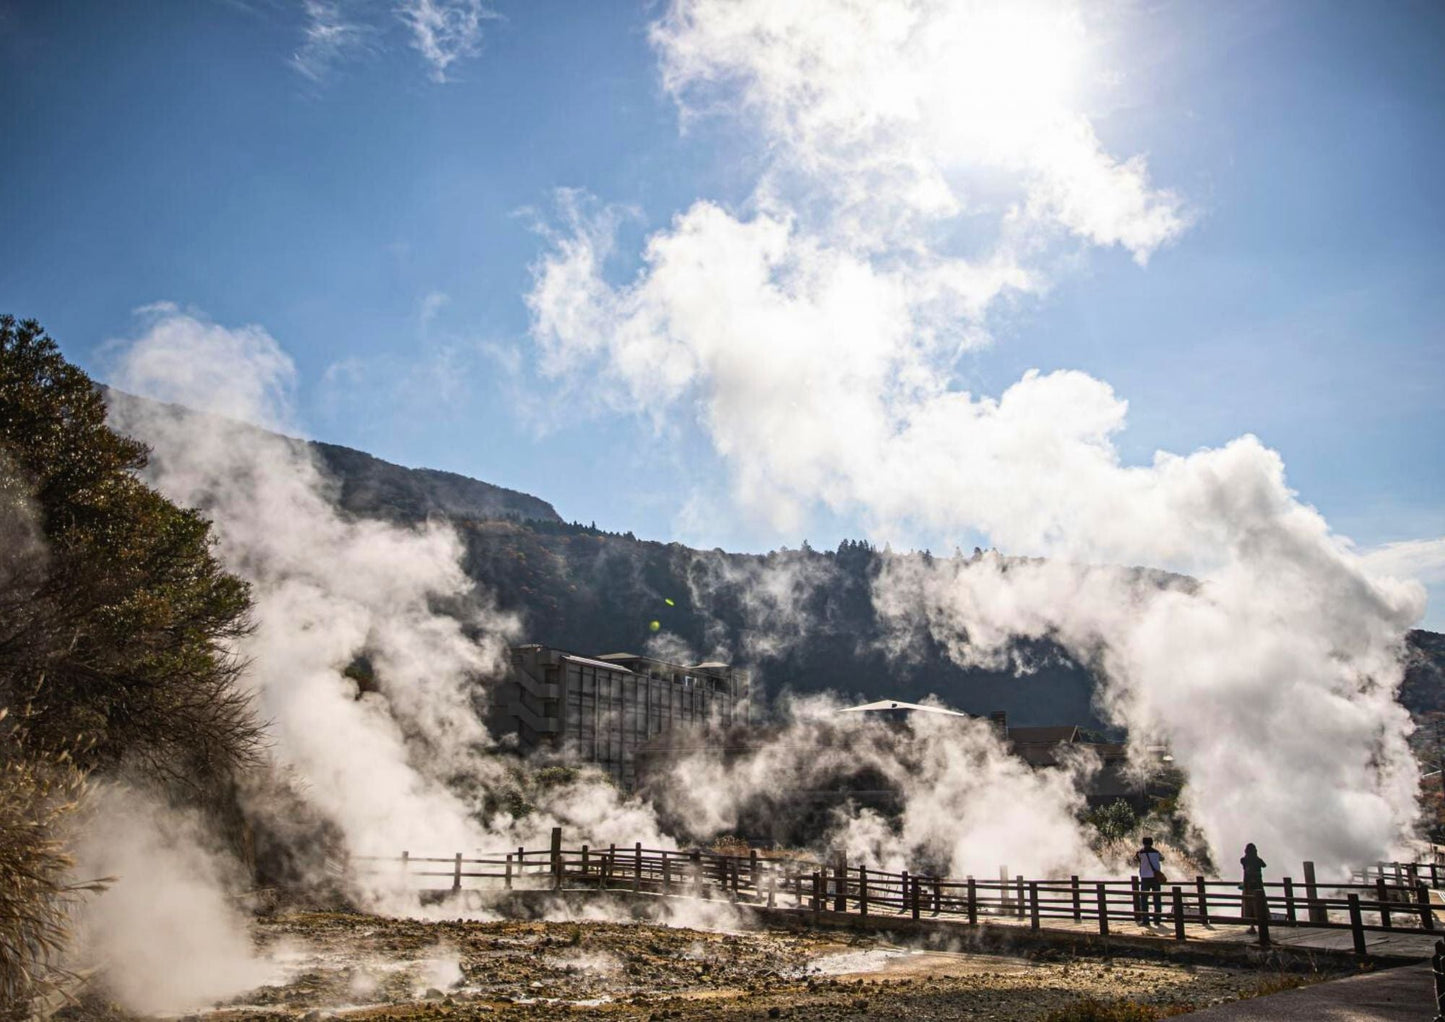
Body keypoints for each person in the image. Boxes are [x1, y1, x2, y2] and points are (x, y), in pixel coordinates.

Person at [1136, 835, 1165, 926]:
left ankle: (1146, 920)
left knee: (1144, 900)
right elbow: (1162, 859)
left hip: (1145, 878)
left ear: (1143, 843)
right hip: (1156, 878)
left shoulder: (1141, 852)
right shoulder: (1156, 852)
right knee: (1157, 899)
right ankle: (1157, 920)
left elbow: (1137, 859)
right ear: (1152, 843)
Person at [1240, 843, 1267, 934]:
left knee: (1249, 907)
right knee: (1259, 905)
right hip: (1258, 886)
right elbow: (1264, 865)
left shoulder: (1244, 860)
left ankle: (1252, 927)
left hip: (1247, 886)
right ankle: (1262, 927)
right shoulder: (1258, 860)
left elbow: (1243, 863)